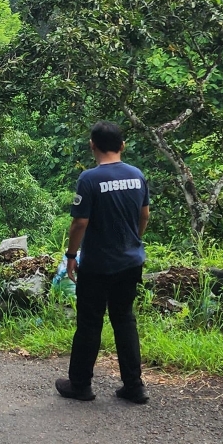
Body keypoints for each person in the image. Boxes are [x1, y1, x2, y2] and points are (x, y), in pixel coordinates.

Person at [56, 121, 151, 404]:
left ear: (92, 145)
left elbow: (79, 222)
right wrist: (133, 241)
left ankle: (81, 385)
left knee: (89, 323)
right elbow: (144, 216)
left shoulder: (89, 179)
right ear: (122, 146)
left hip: (97, 264)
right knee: (124, 320)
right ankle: (134, 387)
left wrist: (71, 256)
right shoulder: (137, 175)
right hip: (131, 261)